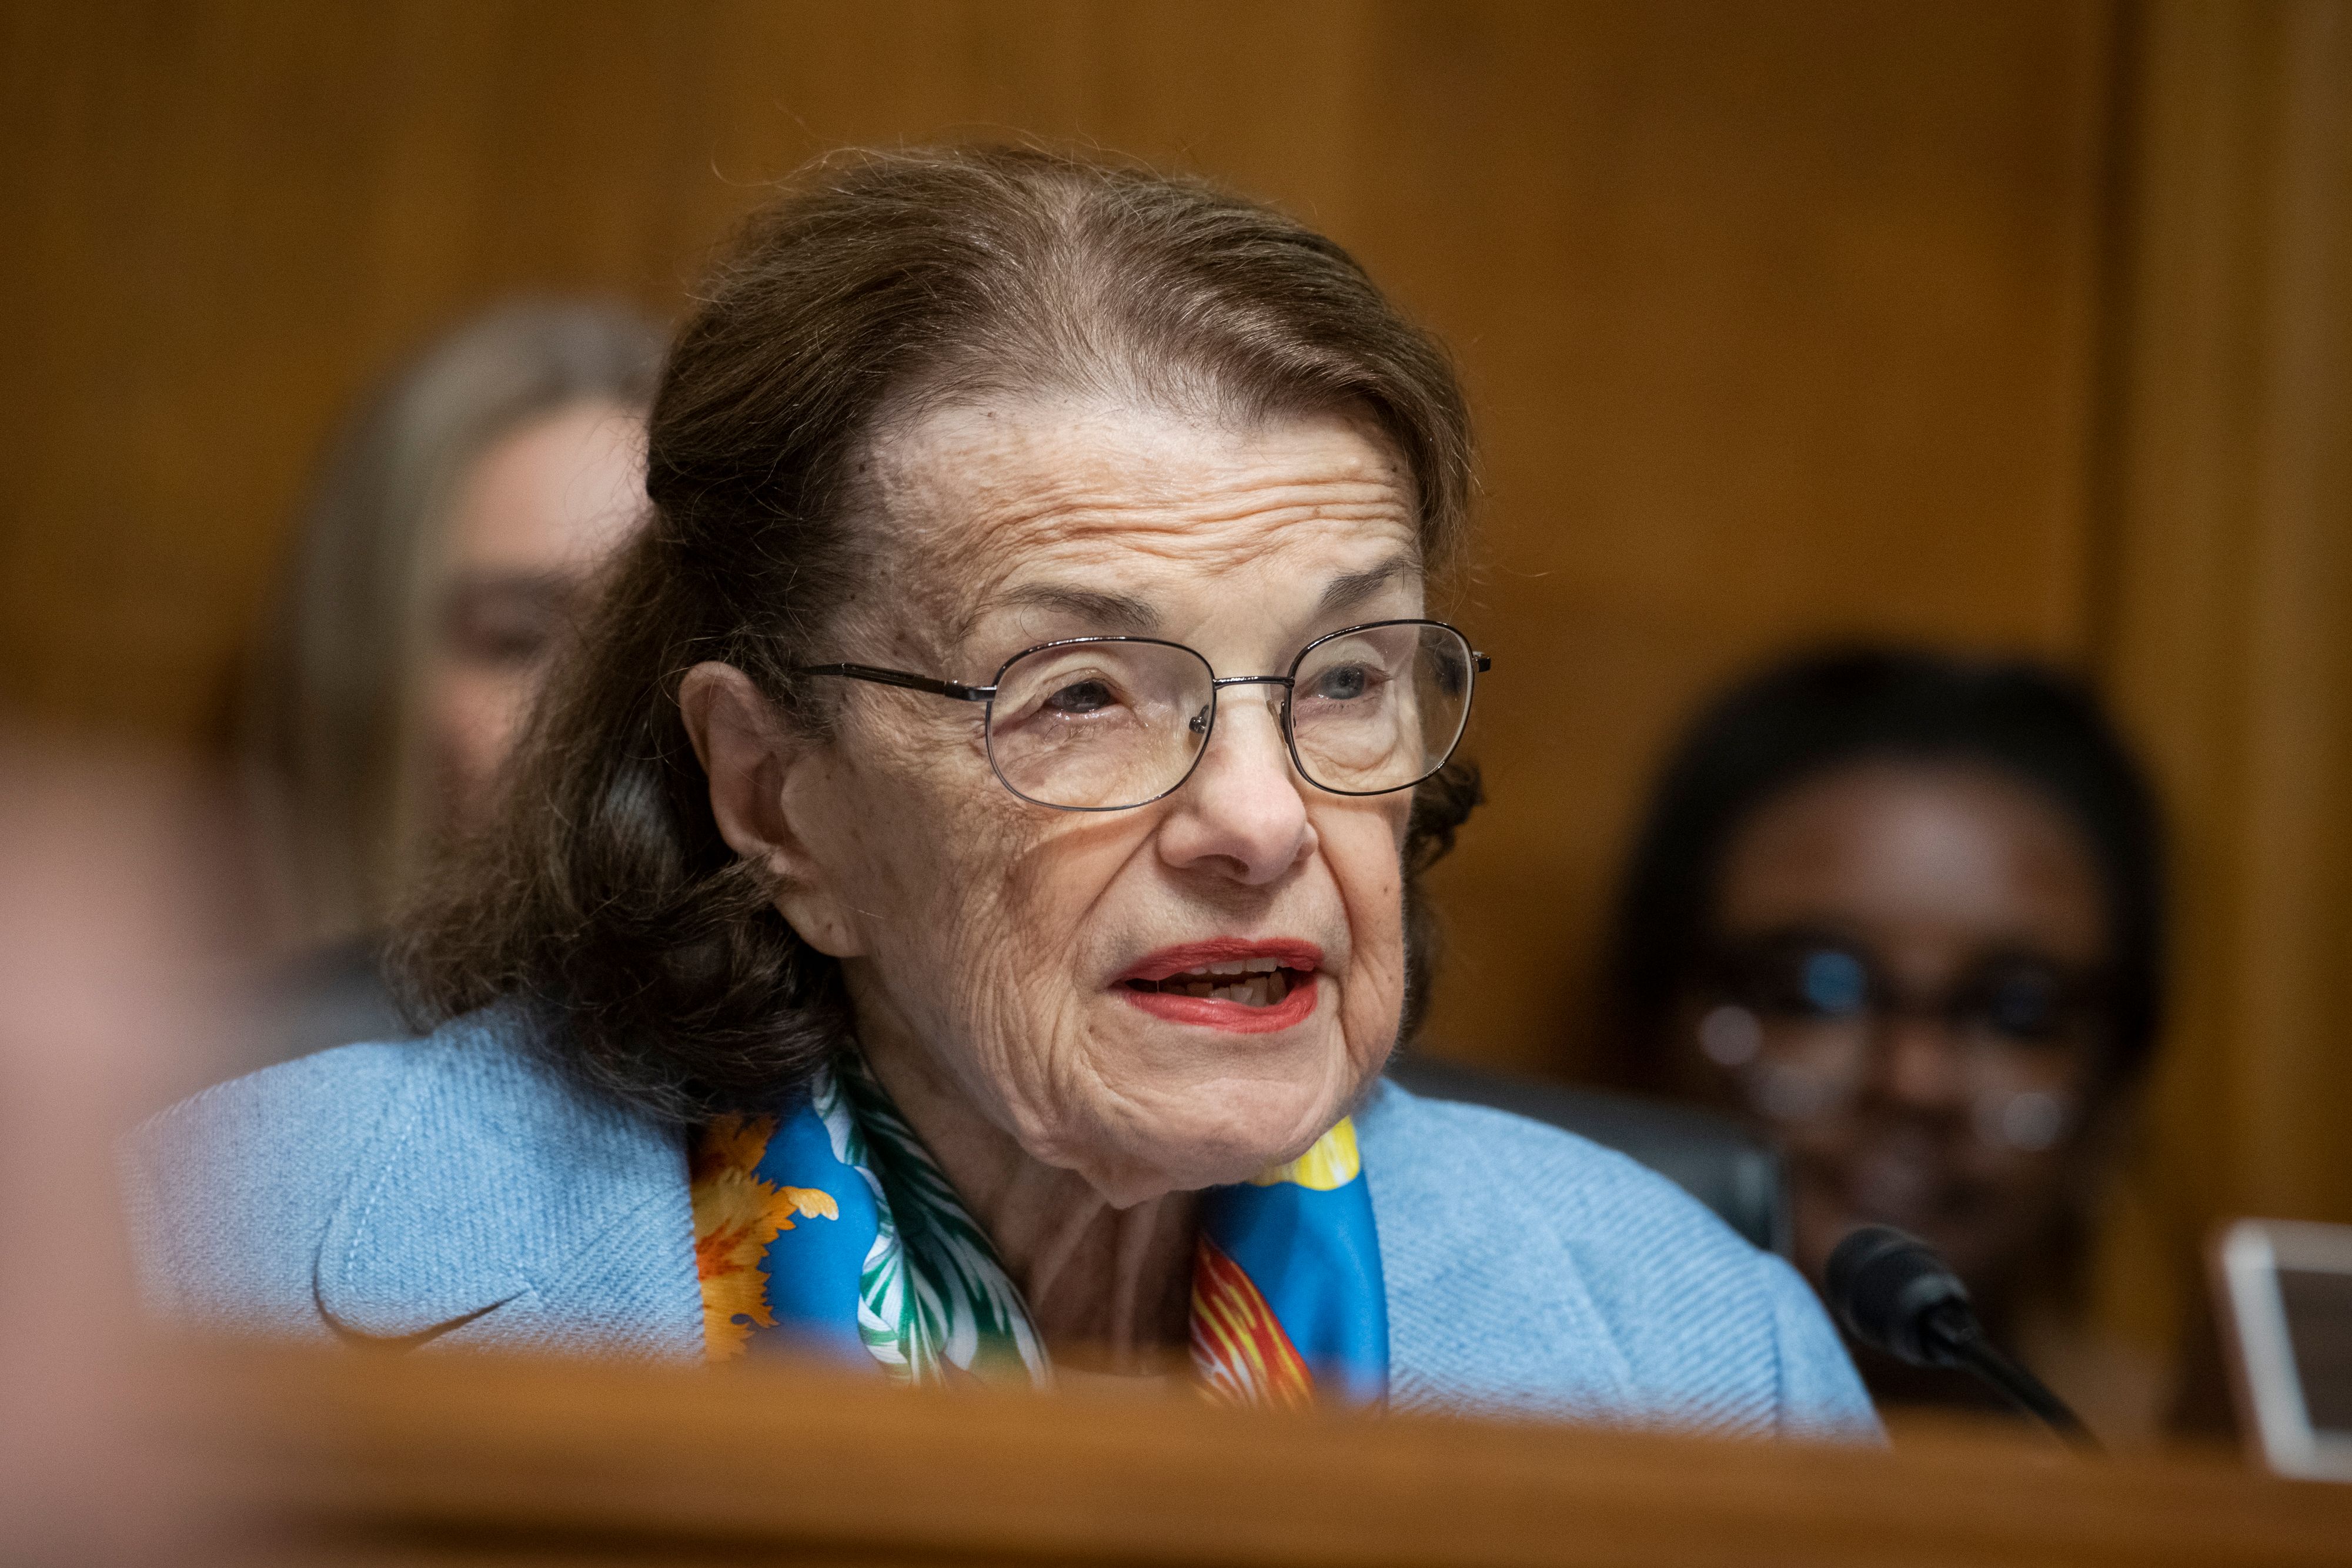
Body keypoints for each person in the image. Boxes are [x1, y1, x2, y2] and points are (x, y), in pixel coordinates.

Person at [123, 146, 1872, 1435]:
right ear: (778, 797)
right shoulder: (201, 1264)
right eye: (1086, 696)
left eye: (1342, 679)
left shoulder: (1709, 1358)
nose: (1263, 822)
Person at [1594, 646, 2167, 1437]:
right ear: (1653, 1019)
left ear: (2116, 1079)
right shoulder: (1485, 1422)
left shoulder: (2197, 1471)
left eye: (2018, 1012)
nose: (1915, 1081)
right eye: (1812, 991)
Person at [236, 300, 664, 1062]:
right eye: (519, 639)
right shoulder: (211, 1100)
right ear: (369, 676)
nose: (608, 703)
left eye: (655, 633)